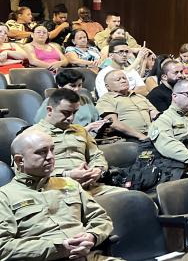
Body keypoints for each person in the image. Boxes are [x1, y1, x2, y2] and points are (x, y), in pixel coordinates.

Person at [0, 130, 119, 261]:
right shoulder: (5, 196)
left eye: (52, 149)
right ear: (20, 160)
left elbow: (100, 218)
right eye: (42, 152)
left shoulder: (69, 184)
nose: (50, 156)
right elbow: (3, 247)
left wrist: (92, 236)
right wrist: (59, 247)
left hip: (89, 257)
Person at [34, 89, 120, 197]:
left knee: (129, 198)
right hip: (55, 189)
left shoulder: (81, 131)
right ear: (50, 110)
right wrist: (67, 174)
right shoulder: (32, 135)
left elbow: (96, 155)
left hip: (89, 186)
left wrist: (97, 170)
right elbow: (27, 172)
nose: (71, 118)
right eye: (66, 113)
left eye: (74, 112)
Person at [95, 70, 159, 140]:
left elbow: (154, 113)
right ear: (108, 86)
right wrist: (140, 136)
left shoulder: (139, 96)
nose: (123, 81)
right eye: (118, 80)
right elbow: (114, 124)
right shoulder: (106, 100)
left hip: (152, 134)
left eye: (124, 78)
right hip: (129, 139)